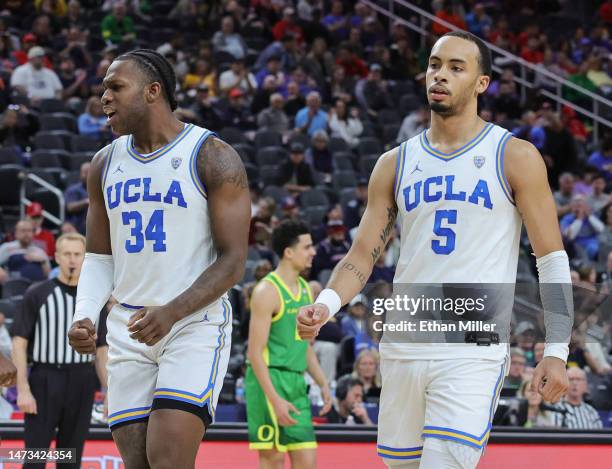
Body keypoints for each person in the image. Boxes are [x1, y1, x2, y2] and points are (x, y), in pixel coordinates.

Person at [298, 31, 572, 468]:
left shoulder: (513, 156)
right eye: (434, 64)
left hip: (473, 342)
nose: (439, 75)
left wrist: (556, 351)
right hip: (405, 337)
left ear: (481, 83)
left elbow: (552, 260)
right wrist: (326, 304)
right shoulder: (395, 162)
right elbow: (362, 253)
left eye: (456, 67)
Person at [67, 49, 250, 468]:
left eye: (116, 87)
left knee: (167, 460)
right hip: (129, 329)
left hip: (193, 324)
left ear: (153, 91)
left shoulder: (212, 156)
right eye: (103, 89)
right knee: (139, 464)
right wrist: (86, 314)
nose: (104, 98)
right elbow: (98, 255)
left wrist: (171, 312)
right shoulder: (104, 163)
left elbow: (234, 260)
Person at [11, 233, 108, 469]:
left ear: (85, 258)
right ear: (56, 257)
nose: (72, 259)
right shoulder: (37, 293)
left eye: (77, 254)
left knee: (70, 456)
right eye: (67, 254)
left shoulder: (95, 301)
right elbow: (19, 342)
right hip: (45, 378)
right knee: (35, 455)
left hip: (83, 380)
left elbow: (102, 349)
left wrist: (108, 390)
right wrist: (22, 389)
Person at [246, 220, 331, 468]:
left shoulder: (306, 290)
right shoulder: (266, 291)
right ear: (288, 252)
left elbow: (305, 348)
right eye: (307, 247)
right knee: (272, 460)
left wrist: (323, 383)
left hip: (296, 384)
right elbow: (254, 353)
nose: (313, 252)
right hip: (268, 382)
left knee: (307, 460)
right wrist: (274, 399)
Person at [64, 161, 90, 234]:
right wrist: (86, 202)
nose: (88, 175)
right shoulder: (73, 189)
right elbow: (70, 207)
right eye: (85, 172)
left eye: (90, 172)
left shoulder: (100, 188)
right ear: (80, 174)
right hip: (77, 226)